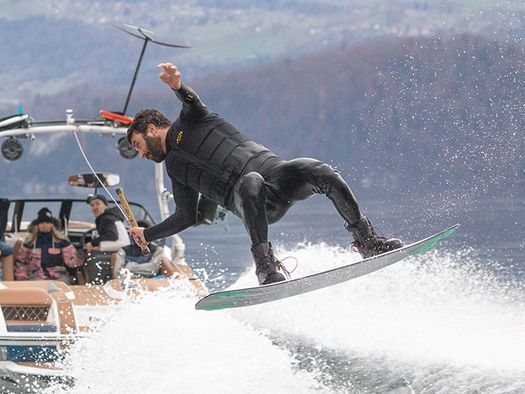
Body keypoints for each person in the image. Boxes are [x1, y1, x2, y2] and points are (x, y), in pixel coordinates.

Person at [127, 63, 403, 286]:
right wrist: (148, 233)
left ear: (151, 129)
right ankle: (265, 266)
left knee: (319, 170)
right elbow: (186, 215)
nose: (141, 154)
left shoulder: (192, 120)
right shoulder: (174, 169)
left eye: (138, 145)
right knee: (250, 182)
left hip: (278, 178)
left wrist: (177, 86)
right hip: (251, 201)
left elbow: (191, 101)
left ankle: (367, 241)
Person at [14, 207, 83, 283]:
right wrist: (22, 279)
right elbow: (21, 262)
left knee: (62, 287)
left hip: (59, 276)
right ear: (37, 225)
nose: (44, 225)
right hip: (36, 277)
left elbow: (72, 263)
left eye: (47, 223)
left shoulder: (62, 243)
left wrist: (81, 254)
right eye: (42, 223)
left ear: (52, 225)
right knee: (38, 288)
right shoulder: (29, 243)